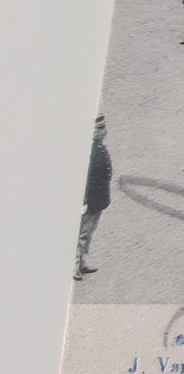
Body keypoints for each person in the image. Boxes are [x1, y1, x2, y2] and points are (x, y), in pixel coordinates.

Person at [75, 114, 111, 280]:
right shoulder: (91, 151)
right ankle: (75, 266)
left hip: (97, 201)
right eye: (100, 129)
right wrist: (84, 201)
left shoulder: (97, 147)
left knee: (87, 234)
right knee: (82, 235)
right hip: (91, 202)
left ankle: (80, 264)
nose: (104, 131)